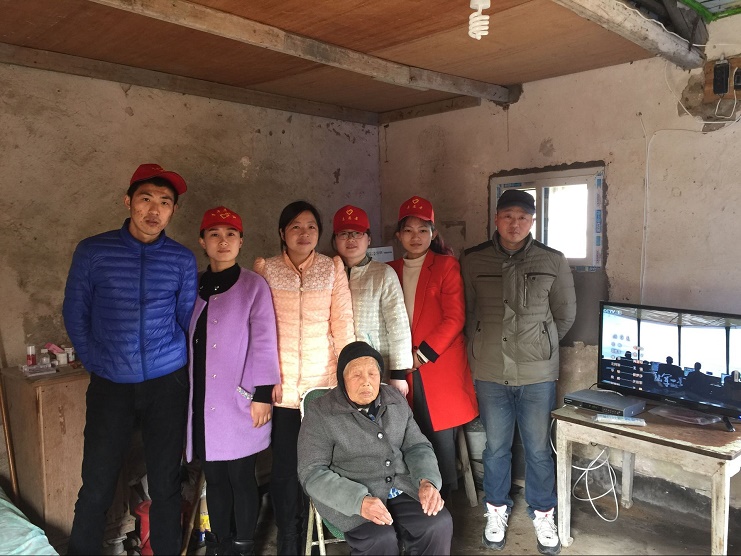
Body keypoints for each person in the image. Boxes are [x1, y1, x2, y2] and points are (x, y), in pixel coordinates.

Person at [63, 163, 198, 554]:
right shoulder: (93, 251)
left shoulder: (181, 259)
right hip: (111, 383)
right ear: (128, 201)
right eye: (146, 199)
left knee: (166, 482)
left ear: (173, 210)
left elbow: (184, 318)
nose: (154, 210)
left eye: (165, 202)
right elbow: (75, 311)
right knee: (97, 482)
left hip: (166, 382)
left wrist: (168, 359)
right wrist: (95, 360)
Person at [459, 189, 576, 555]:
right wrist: (483, 345)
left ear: (532, 222)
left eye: (522, 217)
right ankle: (496, 510)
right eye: (508, 216)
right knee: (496, 448)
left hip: (537, 375)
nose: (515, 224)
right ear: (496, 219)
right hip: (491, 372)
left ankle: (543, 514)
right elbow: (469, 313)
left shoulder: (552, 260)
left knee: (539, 449)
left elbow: (565, 315)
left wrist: (539, 344)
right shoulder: (473, 260)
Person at [253, 200, 355, 554]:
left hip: (321, 390)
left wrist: (347, 380)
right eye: (295, 226)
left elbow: (343, 325)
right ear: (282, 232)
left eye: (311, 226)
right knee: (284, 471)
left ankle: (334, 527)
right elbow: (259, 331)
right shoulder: (266, 269)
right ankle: (290, 539)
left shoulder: (331, 268)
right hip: (281, 391)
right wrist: (263, 383)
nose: (304, 233)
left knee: (324, 464)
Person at [297, 341, 453, 555]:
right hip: (353, 497)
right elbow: (312, 472)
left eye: (372, 373)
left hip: (401, 487)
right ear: (342, 379)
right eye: (356, 375)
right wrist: (358, 501)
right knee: (381, 540)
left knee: (438, 523)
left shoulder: (395, 399)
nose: (366, 382)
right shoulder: (321, 412)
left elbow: (417, 446)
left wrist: (427, 481)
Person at [186, 206, 281, 556]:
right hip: (201, 402)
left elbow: (264, 341)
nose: (222, 241)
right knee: (214, 477)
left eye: (230, 234)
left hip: (239, 399)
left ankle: (242, 545)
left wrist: (261, 395)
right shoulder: (193, 285)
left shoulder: (253, 286)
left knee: (241, 476)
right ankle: (220, 543)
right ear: (202, 241)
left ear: (241, 241)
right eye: (214, 234)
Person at [388, 196, 479, 500]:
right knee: (404, 432)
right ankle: (410, 495)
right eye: (408, 230)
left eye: (423, 230)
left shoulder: (445, 266)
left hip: (436, 365)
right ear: (398, 235)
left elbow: (454, 319)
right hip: (400, 365)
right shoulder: (389, 269)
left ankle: (443, 498)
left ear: (433, 233)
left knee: (437, 434)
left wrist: (420, 356)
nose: (416, 237)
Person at [332, 204, 413, 393]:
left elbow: (398, 324)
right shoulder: (329, 273)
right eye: (343, 234)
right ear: (335, 240)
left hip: (375, 367)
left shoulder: (383, 274)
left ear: (369, 239)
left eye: (357, 233)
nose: (351, 239)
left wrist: (398, 374)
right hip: (337, 366)